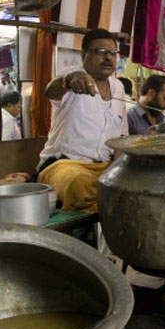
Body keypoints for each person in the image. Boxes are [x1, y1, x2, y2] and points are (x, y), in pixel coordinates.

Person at [37, 28, 127, 213]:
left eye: (112, 53)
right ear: (84, 54)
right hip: (64, 165)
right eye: (101, 52)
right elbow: (50, 91)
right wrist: (68, 81)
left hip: (104, 167)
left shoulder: (118, 87)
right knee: (79, 183)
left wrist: (122, 168)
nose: (108, 58)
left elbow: (121, 137)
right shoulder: (72, 77)